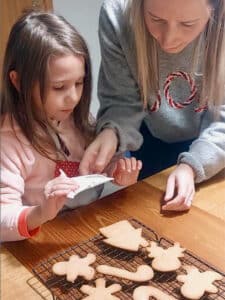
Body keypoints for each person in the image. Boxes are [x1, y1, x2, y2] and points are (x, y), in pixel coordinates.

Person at [0, 10, 142, 242]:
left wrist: (116, 171)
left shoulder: (77, 118)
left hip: (89, 226)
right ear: (18, 81)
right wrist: (40, 213)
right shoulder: (8, 142)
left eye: (79, 82)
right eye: (58, 87)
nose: (73, 97)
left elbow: (97, 168)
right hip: (42, 241)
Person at [79, 0, 225, 211]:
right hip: (150, 139)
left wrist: (193, 165)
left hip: (215, 146)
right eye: (156, 19)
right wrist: (112, 132)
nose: (168, 40)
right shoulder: (118, 14)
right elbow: (122, 99)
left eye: (187, 24)